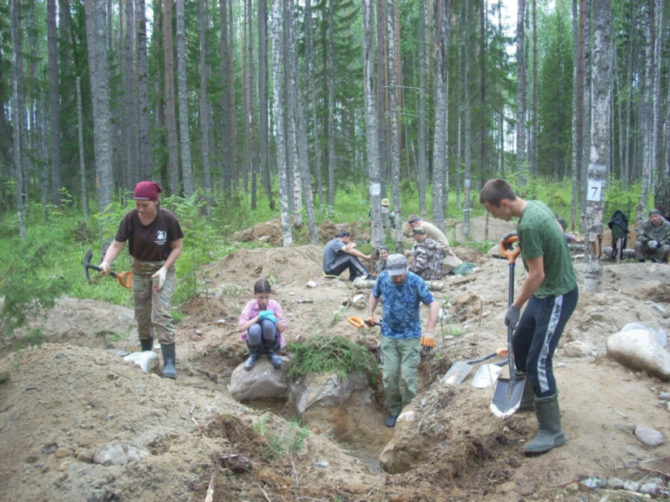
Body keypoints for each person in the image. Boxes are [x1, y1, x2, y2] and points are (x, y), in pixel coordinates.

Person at [480, 178, 578, 454]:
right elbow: (557, 230)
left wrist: (515, 306)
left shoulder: (529, 224)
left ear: (504, 203)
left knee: (539, 361)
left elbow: (537, 274)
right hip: (544, 292)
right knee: (520, 345)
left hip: (557, 294)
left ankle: (551, 430)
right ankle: (527, 398)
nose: (493, 217)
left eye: (492, 211)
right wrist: (530, 246)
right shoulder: (534, 207)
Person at [100, 181, 183, 379]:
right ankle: (147, 354)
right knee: (142, 314)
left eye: (144, 205)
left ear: (155, 202)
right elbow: (117, 244)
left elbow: (177, 247)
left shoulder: (168, 219)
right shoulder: (130, 218)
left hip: (163, 269)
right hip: (139, 270)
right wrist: (106, 262)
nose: (140, 209)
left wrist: (164, 269)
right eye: (137, 204)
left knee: (161, 314)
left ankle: (170, 361)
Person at [367, 254, 439, 428]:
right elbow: (374, 294)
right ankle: (394, 410)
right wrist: (369, 313)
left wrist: (429, 331)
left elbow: (434, 304)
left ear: (406, 268)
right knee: (389, 377)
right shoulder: (384, 278)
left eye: (400, 274)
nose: (397, 278)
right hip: (388, 335)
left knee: (408, 377)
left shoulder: (415, 281)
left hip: (410, 337)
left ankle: (408, 410)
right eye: (394, 275)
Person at [238, 278, 287, 370]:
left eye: (267, 297)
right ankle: (254, 354)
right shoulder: (250, 306)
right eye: (261, 297)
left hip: (271, 339)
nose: (264, 301)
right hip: (255, 340)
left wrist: (274, 320)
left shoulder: (274, 305)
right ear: (255, 295)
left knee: (268, 324)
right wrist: (257, 318)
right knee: (254, 329)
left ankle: (271, 352)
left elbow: (282, 329)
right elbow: (242, 327)